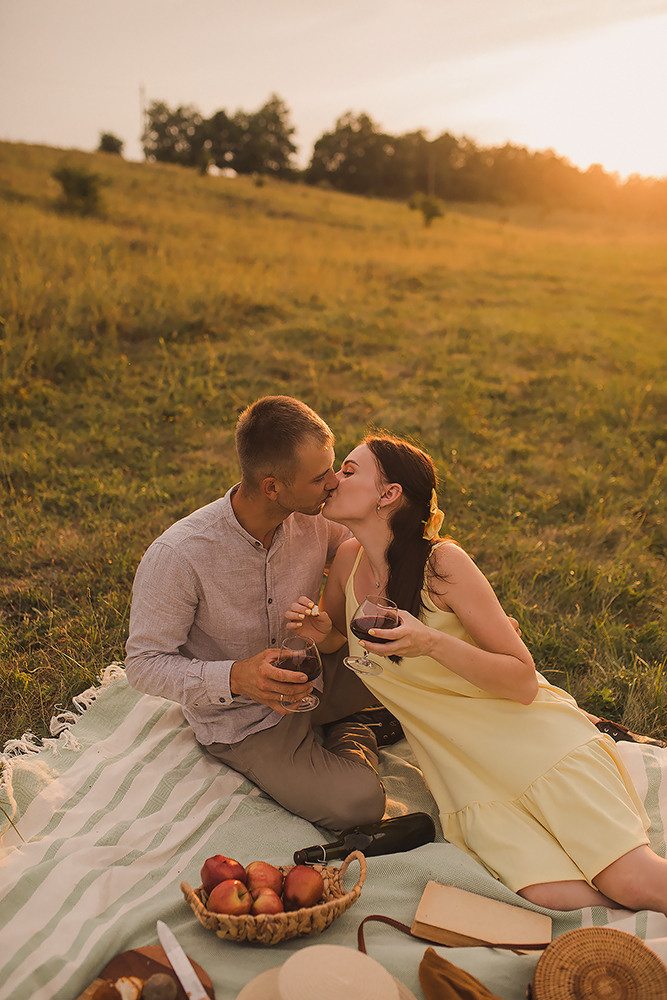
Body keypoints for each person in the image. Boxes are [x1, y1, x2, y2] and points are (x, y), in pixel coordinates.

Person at [286, 433, 667, 913]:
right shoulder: (347, 560)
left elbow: (523, 680)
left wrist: (432, 642)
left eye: (349, 469)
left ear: (389, 494)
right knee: (552, 896)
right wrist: (321, 632)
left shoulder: (443, 563)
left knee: (632, 882)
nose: (334, 479)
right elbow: (345, 644)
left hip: (531, 744)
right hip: (467, 774)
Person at [125, 396, 387, 831]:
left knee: (422, 672)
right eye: (320, 477)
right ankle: (351, 729)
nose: (334, 483)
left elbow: (370, 553)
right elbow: (143, 665)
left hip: (317, 672)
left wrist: (458, 611)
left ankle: (337, 721)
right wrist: (236, 677)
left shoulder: (314, 519)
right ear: (272, 487)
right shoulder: (179, 555)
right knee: (359, 805)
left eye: (335, 468)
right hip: (245, 719)